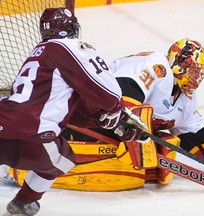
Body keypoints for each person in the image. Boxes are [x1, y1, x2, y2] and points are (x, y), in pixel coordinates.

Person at [56, 38, 204, 190]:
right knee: (129, 173)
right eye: (194, 71)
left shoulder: (186, 99)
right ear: (179, 64)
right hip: (78, 117)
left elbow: (197, 136)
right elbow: (124, 93)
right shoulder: (157, 67)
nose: (197, 78)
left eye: (200, 73)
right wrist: (139, 138)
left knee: (137, 171)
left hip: (111, 129)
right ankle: (52, 165)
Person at [0, 8, 144, 215]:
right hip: (31, 131)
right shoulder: (69, 46)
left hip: (4, 119)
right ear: (71, 28)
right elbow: (108, 91)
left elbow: (66, 109)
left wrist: (102, 120)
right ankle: (22, 204)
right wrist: (116, 110)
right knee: (62, 159)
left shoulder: (37, 55)